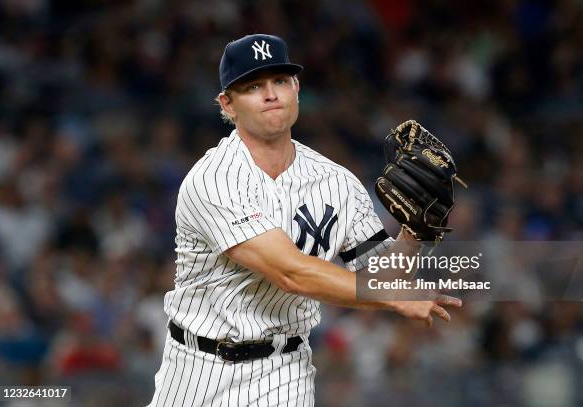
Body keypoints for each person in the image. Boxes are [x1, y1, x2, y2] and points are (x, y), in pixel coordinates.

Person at [148, 33, 461, 407]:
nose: (271, 94)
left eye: (280, 81)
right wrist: (392, 298)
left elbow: (382, 276)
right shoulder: (214, 178)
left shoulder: (337, 182)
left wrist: (415, 233)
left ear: (296, 89)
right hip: (198, 368)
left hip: (286, 371)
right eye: (253, 86)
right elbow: (290, 273)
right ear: (227, 104)